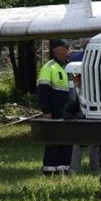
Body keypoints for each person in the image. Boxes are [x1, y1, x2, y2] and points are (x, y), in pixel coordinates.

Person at [36, 41, 74, 175]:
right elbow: (42, 91)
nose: (68, 50)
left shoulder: (69, 67)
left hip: (69, 111)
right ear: (57, 50)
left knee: (67, 140)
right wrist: (46, 111)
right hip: (55, 110)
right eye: (66, 48)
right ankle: (49, 169)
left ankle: (63, 169)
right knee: (54, 140)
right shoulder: (49, 67)